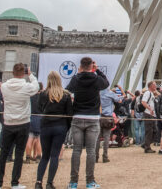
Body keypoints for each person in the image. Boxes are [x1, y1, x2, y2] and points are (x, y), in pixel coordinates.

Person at [0, 62, 39, 189]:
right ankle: (15, 182)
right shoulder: (26, 87)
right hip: (23, 122)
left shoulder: (4, 87)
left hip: (8, 122)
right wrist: (31, 75)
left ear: (13, 73)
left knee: (3, 153)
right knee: (19, 154)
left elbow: (2, 85)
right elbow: (36, 87)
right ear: (24, 73)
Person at [66, 57, 108, 189]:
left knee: (76, 150)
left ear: (81, 66)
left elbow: (68, 91)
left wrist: (78, 73)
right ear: (91, 66)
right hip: (93, 117)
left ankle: (73, 182)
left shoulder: (76, 79)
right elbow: (106, 83)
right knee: (91, 151)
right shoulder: (96, 79)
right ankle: (90, 182)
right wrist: (98, 70)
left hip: (78, 116)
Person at [36, 71, 73, 189]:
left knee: (44, 156)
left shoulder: (43, 94)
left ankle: (38, 182)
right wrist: (66, 127)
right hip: (60, 126)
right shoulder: (65, 95)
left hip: (46, 125)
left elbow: (39, 108)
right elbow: (69, 114)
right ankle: (49, 183)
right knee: (54, 156)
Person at [96, 85, 123, 162]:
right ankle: (105, 156)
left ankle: (96, 156)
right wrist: (122, 93)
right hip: (108, 117)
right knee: (106, 137)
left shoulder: (97, 93)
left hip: (98, 117)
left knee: (97, 138)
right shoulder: (110, 93)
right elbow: (119, 100)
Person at [141, 81, 159, 153]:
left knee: (154, 130)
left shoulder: (151, 93)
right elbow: (143, 102)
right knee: (149, 131)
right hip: (148, 114)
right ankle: (147, 147)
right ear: (151, 86)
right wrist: (150, 109)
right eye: (155, 85)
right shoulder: (147, 93)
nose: (156, 86)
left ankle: (146, 144)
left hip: (152, 114)